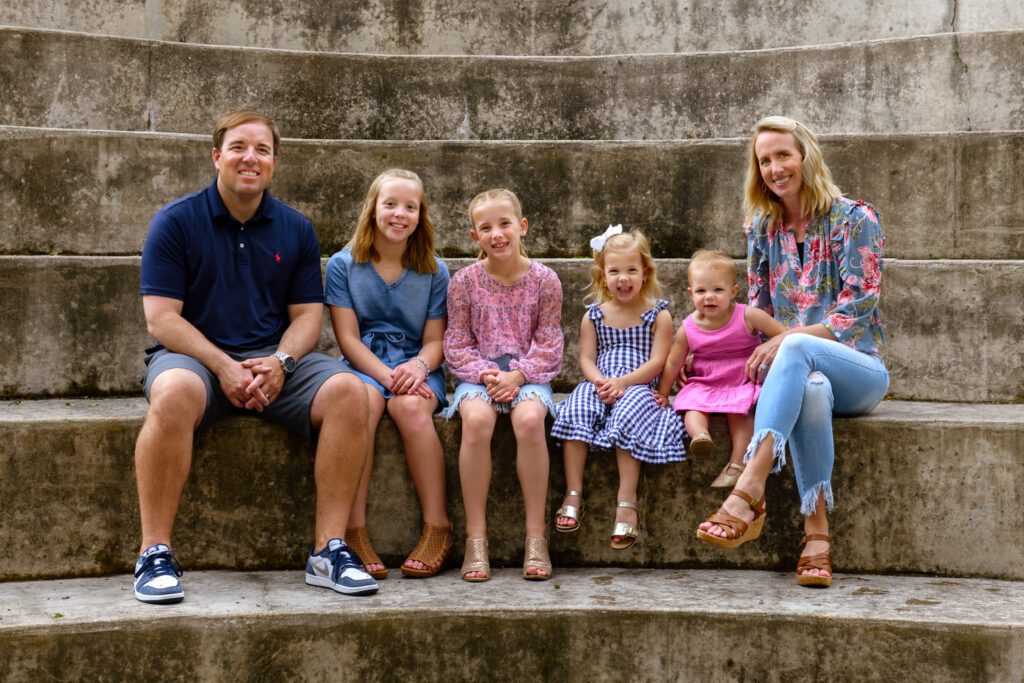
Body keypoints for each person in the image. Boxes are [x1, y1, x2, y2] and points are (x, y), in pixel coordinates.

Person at [135, 109, 377, 604]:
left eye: (262, 150)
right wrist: (223, 365)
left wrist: (281, 363)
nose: (251, 158)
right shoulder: (175, 222)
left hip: (275, 363)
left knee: (351, 391)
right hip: (196, 360)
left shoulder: (295, 228)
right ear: (216, 155)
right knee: (174, 390)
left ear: (273, 162)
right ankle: (154, 553)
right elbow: (161, 319)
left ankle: (328, 550)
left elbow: (309, 317)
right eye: (240, 147)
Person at [695, 116, 888, 588]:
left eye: (784, 155)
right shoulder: (761, 227)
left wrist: (787, 339)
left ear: (806, 156)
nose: (775, 167)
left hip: (859, 370)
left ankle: (751, 484)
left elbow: (858, 308)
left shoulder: (855, 219)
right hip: (800, 374)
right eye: (765, 160)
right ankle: (816, 538)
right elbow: (757, 307)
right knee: (813, 390)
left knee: (802, 346)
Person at [324, 169, 453, 579]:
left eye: (410, 207)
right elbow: (348, 340)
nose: (400, 214)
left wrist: (415, 367)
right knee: (362, 406)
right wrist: (385, 374)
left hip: (418, 365)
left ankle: (438, 527)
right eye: (391, 204)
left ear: (421, 215)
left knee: (410, 410)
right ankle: (353, 530)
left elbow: (435, 341)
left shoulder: (434, 270)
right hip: (365, 363)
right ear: (373, 209)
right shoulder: (344, 265)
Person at [442, 188, 563, 582]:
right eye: (486, 227)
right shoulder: (464, 282)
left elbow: (549, 342)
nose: (497, 234)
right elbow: (456, 342)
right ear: (474, 236)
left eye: (505, 223)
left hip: (528, 374)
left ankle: (536, 537)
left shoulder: (545, 280)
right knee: (476, 421)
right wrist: (486, 374)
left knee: (529, 421)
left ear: (522, 226)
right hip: (478, 374)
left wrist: (518, 375)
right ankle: (477, 540)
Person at [551, 227, 684, 549]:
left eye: (631, 270)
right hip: (600, 381)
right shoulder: (594, 316)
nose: (623, 278)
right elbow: (585, 358)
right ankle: (573, 492)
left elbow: (658, 362)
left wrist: (624, 382)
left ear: (645, 272)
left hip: (638, 382)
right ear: (602, 274)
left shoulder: (658, 315)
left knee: (627, 412)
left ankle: (627, 502)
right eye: (614, 271)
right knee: (579, 406)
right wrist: (599, 381)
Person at [657, 249, 784, 489]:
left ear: (734, 291)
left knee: (740, 410)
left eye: (718, 290)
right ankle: (700, 436)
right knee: (691, 404)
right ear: (690, 293)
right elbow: (674, 362)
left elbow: (783, 335)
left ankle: (737, 463)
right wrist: (663, 393)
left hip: (742, 379)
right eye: (701, 291)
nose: (709, 297)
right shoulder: (688, 329)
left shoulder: (748, 316)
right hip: (705, 381)